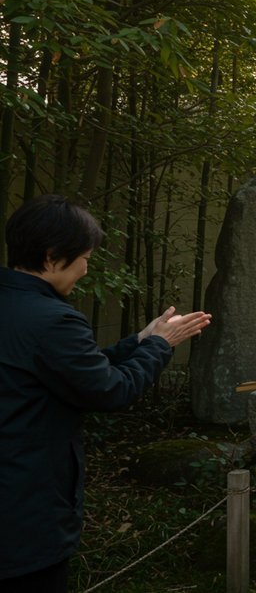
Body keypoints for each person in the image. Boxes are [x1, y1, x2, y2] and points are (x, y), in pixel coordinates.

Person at [0, 195, 212, 591]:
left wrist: (139, 340)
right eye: (84, 257)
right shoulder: (53, 320)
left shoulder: (17, 308)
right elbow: (111, 390)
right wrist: (160, 345)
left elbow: (74, 369)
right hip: (24, 511)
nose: (85, 268)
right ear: (50, 257)